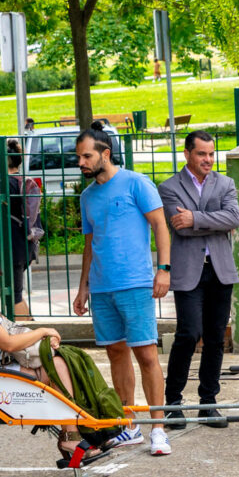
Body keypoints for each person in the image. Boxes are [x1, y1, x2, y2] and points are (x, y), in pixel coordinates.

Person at [71, 123, 172, 456]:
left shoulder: (136, 183)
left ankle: (158, 428)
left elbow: (160, 225)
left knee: (146, 354)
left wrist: (163, 270)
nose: (81, 162)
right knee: (116, 353)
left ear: (106, 153)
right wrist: (83, 287)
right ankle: (129, 425)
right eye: (79, 157)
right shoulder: (87, 196)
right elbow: (90, 244)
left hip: (135, 283)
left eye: (87, 156)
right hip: (102, 288)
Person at [0, 248, 105, 463]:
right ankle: (72, 436)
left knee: (60, 363)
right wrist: (43, 331)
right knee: (59, 367)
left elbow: (12, 335)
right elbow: (8, 343)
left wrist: (41, 339)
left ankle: (76, 432)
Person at [158, 131, 239, 427]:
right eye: (201, 154)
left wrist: (195, 218)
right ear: (187, 154)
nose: (208, 159)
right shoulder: (169, 187)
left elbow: (233, 218)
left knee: (216, 338)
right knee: (189, 334)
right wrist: (213, 220)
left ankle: (208, 403)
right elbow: (179, 226)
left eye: (211, 154)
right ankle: (173, 403)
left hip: (220, 270)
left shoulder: (225, 183)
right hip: (188, 271)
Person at [0, 139, 42, 319]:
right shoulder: (21, 181)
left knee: (13, 296)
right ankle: (30, 328)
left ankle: (28, 332)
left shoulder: (2, 185)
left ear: (5, 160)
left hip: (9, 249)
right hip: (25, 246)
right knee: (14, 293)